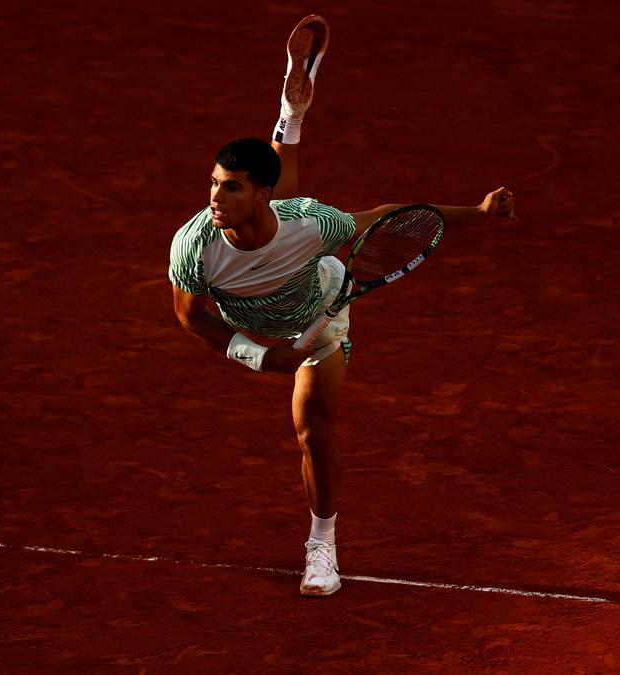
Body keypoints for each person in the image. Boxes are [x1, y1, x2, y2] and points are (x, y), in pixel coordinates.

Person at [167, 15, 517, 597]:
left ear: (256, 192)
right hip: (259, 326)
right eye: (213, 183)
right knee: (291, 210)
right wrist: (256, 356)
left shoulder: (313, 226)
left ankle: (321, 545)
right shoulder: (194, 246)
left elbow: (387, 217)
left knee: (314, 430)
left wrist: (477, 214)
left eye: (230, 187)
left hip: (319, 316)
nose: (215, 197)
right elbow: (190, 319)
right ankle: (292, 113)